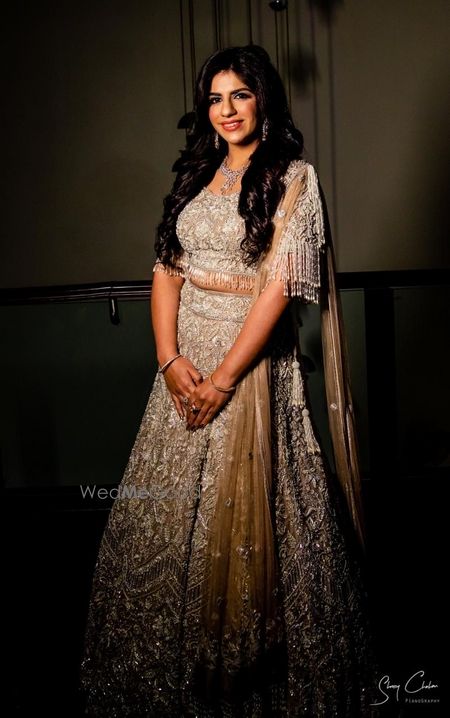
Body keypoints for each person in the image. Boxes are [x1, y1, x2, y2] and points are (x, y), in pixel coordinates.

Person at [80, 45, 380, 717]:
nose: (226, 110)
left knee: (259, 510)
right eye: (215, 98)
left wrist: (222, 379)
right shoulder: (196, 174)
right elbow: (166, 266)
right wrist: (170, 360)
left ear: (264, 100)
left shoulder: (295, 178)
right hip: (183, 368)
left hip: (248, 369)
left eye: (239, 95)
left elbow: (279, 286)